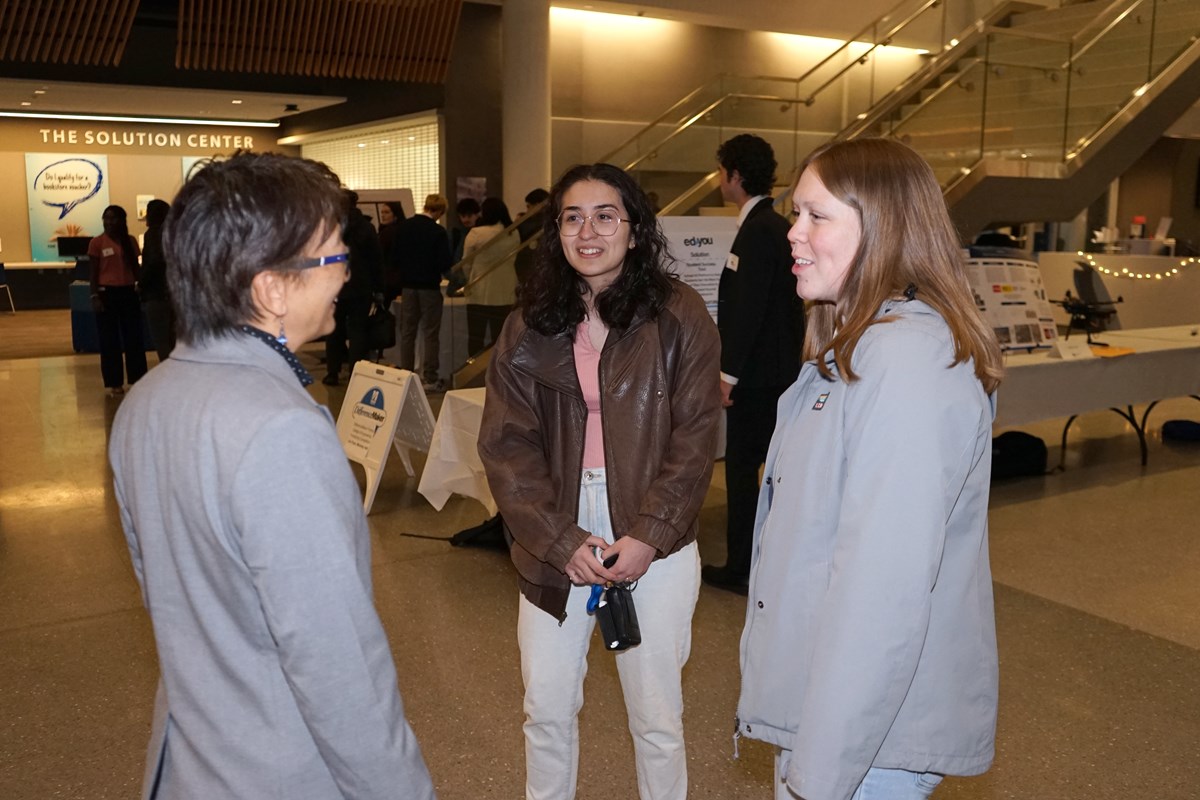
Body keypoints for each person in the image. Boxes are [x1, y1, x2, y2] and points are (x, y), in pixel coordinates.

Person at [108, 152, 436, 800]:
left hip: (192, 763)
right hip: (282, 772)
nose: (346, 270)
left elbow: (172, 605)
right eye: (333, 253)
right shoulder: (281, 429)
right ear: (272, 289)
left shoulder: (146, 402)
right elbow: (337, 666)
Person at [736, 138, 1004, 800]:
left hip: (862, 745)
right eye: (794, 213)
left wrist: (821, 775)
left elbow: (880, 592)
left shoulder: (908, 365)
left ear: (884, 226)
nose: (794, 234)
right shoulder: (856, 349)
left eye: (816, 216)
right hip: (833, 721)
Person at [478, 163, 722, 800]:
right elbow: (507, 447)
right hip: (554, 527)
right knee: (547, 710)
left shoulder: (679, 313)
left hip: (652, 524)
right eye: (572, 217)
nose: (589, 231)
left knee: (658, 718)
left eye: (605, 215)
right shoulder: (530, 322)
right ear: (556, 232)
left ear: (635, 229)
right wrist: (559, 542)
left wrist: (651, 535)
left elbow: (695, 437)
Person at [704, 133, 805, 595]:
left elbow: (748, 310)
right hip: (775, 372)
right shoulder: (771, 226)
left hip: (760, 378)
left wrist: (727, 376)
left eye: (722, 170)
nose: (719, 179)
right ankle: (756, 560)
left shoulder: (760, 231)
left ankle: (740, 566)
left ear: (735, 176)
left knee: (743, 470)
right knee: (764, 467)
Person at [323, 189, 384, 386]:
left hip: (334, 285)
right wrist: (378, 288)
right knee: (358, 330)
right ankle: (355, 373)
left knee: (334, 330)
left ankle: (332, 372)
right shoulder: (366, 227)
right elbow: (376, 259)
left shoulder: (330, 227)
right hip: (360, 286)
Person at [393, 193, 452, 391]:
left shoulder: (405, 227)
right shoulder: (438, 232)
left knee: (408, 332)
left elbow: (396, 255)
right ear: (440, 211)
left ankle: (407, 373)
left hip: (408, 287)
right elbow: (444, 262)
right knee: (430, 333)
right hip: (429, 288)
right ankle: (430, 376)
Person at [88, 204, 147, 395]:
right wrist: (94, 295)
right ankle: (114, 383)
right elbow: (93, 272)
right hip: (107, 294)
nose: (109, 222)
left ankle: (137, 380)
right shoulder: (97, 243)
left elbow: (136, 269)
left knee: (134, 338)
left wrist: (141, 285)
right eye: (106, 218)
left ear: (122, 221)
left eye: (113, 218)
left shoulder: (129, 241)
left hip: (129, 293)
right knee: (109, 340)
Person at [462, 197, 519, 354]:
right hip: (505, 291)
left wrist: (470, 280)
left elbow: (466, 263)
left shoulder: (476, 233)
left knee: (475, 337)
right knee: (500, 338)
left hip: (479, 292)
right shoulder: (513, 233)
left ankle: (471, 372)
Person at [139, 199, 176, 362]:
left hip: (156, 293)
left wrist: (141, 283)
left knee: (161, 339)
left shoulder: (153, 234)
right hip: (173, 293)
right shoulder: (174, 233)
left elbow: (154, 262)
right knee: (173, 339)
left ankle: (170, 376)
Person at [515, 187, 550, 286]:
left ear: (538, 205)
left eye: (529, 206)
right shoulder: (553, 219)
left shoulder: (528, 223)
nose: (527, 210)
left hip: (530, 265)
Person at [378, 201, 407, 304]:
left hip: (389, 280)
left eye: (386, 212)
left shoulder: (387, 233)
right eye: (382, 212)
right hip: (402, 279)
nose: (383, 216)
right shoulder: (404, 230)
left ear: (395, 215)